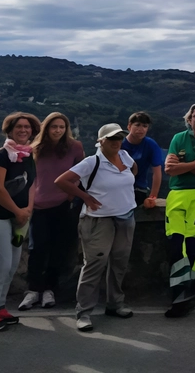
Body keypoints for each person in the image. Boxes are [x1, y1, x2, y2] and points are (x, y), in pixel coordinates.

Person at [55, 124, 139, 332]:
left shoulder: (125, 156)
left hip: (126, 216)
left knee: (119, 262)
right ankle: (83, 312)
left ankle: (115, 304)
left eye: (119, 137)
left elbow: (134, 170)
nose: (116, 141)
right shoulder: (91, 162)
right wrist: (86, 197)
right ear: (101, 141)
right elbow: (62, 181)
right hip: (98, 220)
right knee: (94, 264)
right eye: (111, 138)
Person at [146, 103, 195, 318]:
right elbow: (169, 169)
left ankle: (187, 292)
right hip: (177, 196)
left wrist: (185, 165)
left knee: (194, 246)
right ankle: (178, 292)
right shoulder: (178, 138)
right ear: (189, 119)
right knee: (177, 245)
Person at [0, 112, 40, 332]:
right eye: (19, 127)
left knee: (11, 266)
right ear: (9, 130)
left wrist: (28, 209)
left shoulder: (27, 155)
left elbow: (32, 184)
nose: (24, 130)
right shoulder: (1, 156)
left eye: (27, 127)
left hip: (19, 218)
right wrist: (17, 211)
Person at [20, 112, 85, 310]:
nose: (58, 130)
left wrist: (73, 195)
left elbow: (82, 171)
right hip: (39, 205)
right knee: (37, 248)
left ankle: (49, 289)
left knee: (58, 249)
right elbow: (27, 177)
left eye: (61, 127)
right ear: (46, 128)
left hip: (64, 205)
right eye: (54, 126)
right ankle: (33, 290)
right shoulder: (35, 148)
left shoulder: (75, 147)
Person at [122, 111, 166, 204]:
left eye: (144, 126)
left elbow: (157, 172)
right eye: (137, 125)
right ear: (129, 126)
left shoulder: (150, 145)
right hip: (119, 188)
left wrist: (153, 197)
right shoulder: (120, 143)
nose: (141, 129)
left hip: (139, 189)